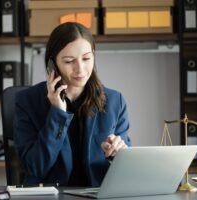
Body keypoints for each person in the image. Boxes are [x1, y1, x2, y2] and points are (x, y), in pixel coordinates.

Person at [13, 22, 131, 187]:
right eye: (69, 61)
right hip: (51, 196)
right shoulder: (27, 101)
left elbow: (126, 172)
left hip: (97, 195)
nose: (80, 69)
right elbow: (36, 167)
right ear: (52, 64)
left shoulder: (115, 102)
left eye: (86, 58)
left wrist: (116, 155)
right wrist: (57, 113)